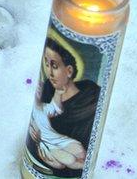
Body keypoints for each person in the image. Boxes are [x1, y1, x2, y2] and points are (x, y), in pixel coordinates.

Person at [26, 37, 101, 177]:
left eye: (54, 66)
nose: (50, 72)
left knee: (78, 151)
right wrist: (37, 143)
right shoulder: (46, 91)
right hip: (48, 153)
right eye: (46, 65)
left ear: (69, 70)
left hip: (67, 150)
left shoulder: (91, 98)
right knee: (66, 159)